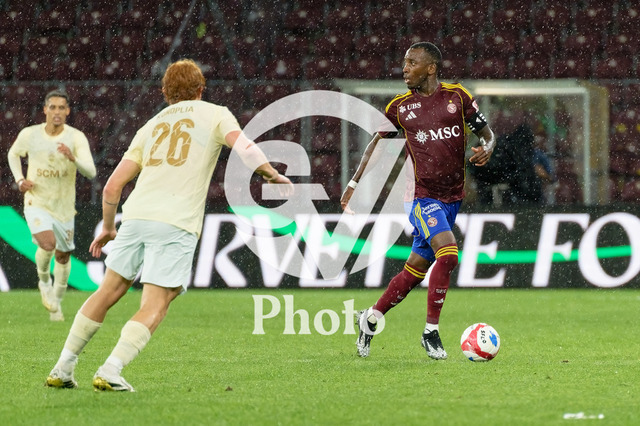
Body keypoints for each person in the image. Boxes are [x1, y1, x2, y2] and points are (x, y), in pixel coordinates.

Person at [45, 59, 293, 391]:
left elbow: (112, 187)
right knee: (158, 301)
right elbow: (245, 149)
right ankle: (111, 369)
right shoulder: (216, 114)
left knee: (107, 292)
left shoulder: (150, 126)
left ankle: (63, 366)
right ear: (201, 89)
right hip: (175, 221)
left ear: (165, 93)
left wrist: (108, 227)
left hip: (135, 216)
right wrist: (272, 174)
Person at [340, 42, 496, 359]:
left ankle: (370, 319)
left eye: (412, 62)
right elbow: (375, 145)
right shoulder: (400, 107)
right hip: (421, 198)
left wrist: (488, 147)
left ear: (431, 68)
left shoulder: (458, 97)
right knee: (448, 255)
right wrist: (354, 182)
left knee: (414, 271)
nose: (405, 68)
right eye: (404, 62)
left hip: (452, 198)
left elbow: (487, 133)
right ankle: (430, 333)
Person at [7, 90, 96, 321]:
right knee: (47, 244)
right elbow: (13, 154)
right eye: (53, 107)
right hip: (36, 200)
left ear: (68, 111)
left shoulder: (76, 138)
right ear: (45, 110)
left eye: (61, 108)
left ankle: (57, 302)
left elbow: (91, 172)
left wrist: (73, 158)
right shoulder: (30, 134)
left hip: (64, 207)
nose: (57, 112)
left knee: (63, 256)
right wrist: (19, 179)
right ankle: (44, 282)